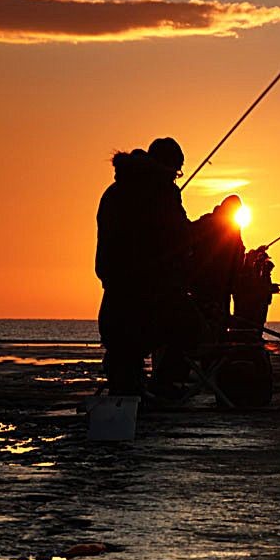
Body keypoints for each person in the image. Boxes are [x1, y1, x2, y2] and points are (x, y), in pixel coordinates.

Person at [95, 137, 195, 395]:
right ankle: (164, 385)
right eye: (176, 172)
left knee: (124, 351)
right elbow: (182, 238)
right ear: (169, 167)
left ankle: (129, 382)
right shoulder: (161, 194)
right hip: (150, 295)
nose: (176, 177)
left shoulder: (114, 192)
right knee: (192, 329)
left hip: (115, 296)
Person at [189, 195, 246, 336]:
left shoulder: (208, 222)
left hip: (212, 284)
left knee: (212, 319)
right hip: (214, 284)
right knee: (215, 319)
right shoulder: (230, 227)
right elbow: (239, 254)